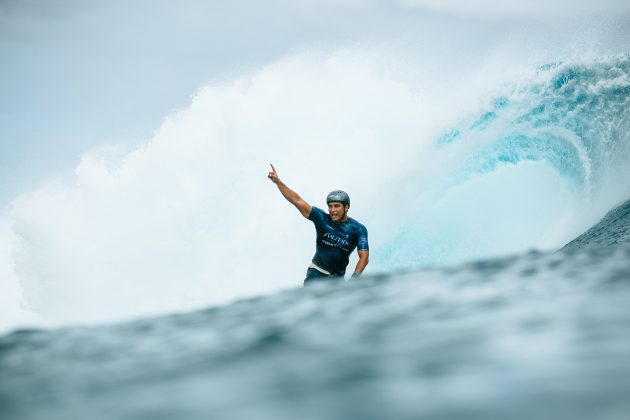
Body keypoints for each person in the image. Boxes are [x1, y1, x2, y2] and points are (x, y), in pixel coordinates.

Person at [267, 163, 369, 284]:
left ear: (346, 207)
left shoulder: (358, 229)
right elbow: (296, 200)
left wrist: (355, 278)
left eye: (337, 206)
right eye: (330, 206)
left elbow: (364, 257)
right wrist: (278, 182)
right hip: (316, 273)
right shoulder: (321, 218)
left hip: (337, 280)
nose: (332, 210)